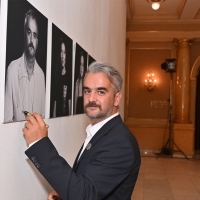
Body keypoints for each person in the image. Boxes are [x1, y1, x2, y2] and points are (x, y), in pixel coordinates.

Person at [22, 62, 141, 200]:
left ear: (116, 98)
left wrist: (39, 143)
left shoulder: (119, 142)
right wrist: (66, 192)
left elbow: (84, 195)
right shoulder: (101, 132)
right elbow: (89, 183)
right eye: (87, 91)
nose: (91, 98)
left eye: (100, 92)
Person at [4, 9, 45, 122]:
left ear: (38, 42)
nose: (31, 40)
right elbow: (7, 118)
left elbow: (42, 118)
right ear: (24, 34)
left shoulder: (41, 76)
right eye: (29, 33)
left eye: (35, 35)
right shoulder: (12, 69)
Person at [52, 37, 72, 117]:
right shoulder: (56, 77)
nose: (62, 56)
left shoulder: (69, 77)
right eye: (61, 52)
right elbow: (55, 101)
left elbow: (70, 100)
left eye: (64, 52)